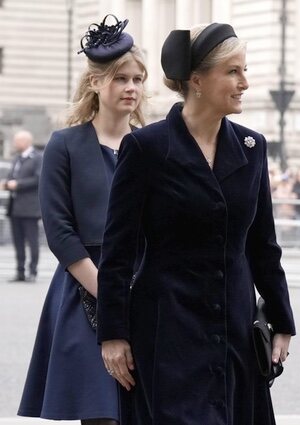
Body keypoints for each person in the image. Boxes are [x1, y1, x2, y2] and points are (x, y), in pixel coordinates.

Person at [96, 22, 295, 425]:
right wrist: (112, 334)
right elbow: (117, 250)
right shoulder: (146, 147)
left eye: (245, 70)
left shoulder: (252, 147)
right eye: (233, 71)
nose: (245, 83)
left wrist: (281, 320)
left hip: (235, 328)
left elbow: (263, 245)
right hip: (166, 326)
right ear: (197, 80)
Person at [17, 15, 146, 425]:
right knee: (100, 412)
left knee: (142, 409)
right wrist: (111, 294)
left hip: (144, 284)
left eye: (138, 79)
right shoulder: (64, 144)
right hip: (82, 287)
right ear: (96, 83)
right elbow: (59, 230)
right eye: (121, 78)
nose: (131, 88)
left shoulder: (152, 144)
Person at [3, 130, 42, 283]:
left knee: (32, 241)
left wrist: (18, 184)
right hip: (15, 208)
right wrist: (7, 184)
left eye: (17, 141)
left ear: (26, 141)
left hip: (30, 208)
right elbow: (12, 177)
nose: (14, 143)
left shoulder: (37, 158)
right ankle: (20, 272)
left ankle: (32, 271)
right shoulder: (17, 158)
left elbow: (39, 179)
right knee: (18, 241)